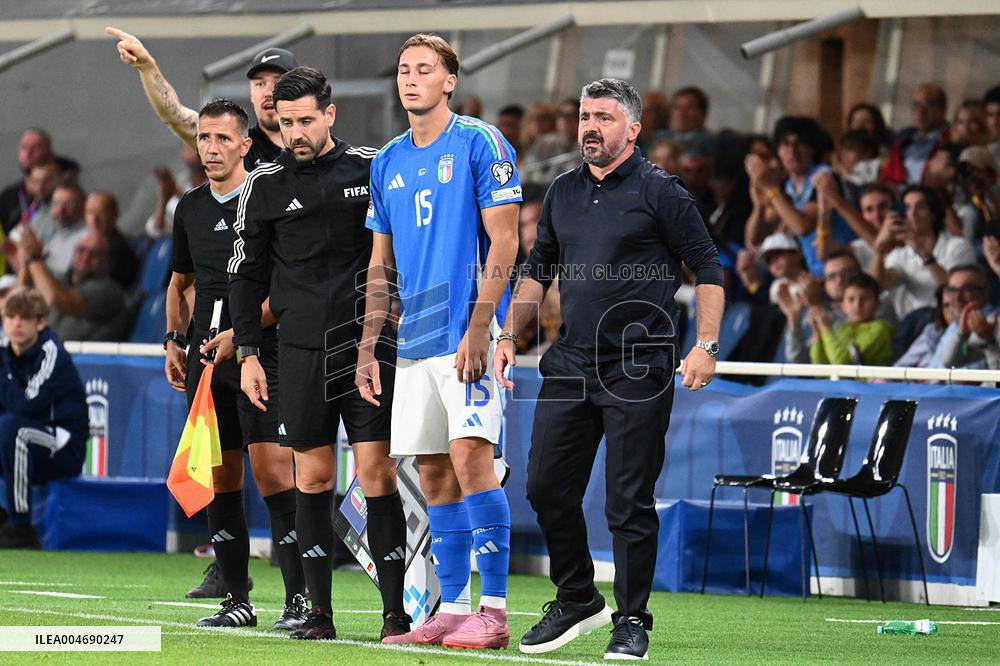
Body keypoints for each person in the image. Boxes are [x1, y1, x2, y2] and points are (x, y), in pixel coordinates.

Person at [497, 78, 723, 660]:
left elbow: (709, 268)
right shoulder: (563, 192)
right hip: (569, 363)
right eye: (584, 116)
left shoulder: (662, 192)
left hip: (639, 367)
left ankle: (631, 619)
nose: (589, 126)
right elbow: (537, 269)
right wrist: (506, 334)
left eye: (602, 116)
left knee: (628, 502)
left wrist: (707, 344)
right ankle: (577, 598)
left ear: (633, 128)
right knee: (546, 487)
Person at [228, 66, 407, 642]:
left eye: (306, 121)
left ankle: (395, 614)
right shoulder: (265, 184)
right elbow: (246, 277)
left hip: (367, 348)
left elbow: (398, 252)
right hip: (299, 352)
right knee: (313, 474)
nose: (295, 133)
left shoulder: (371, 167)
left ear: (331, 114)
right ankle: (318, 613)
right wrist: (250, 354)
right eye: (285, 124)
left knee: (377, 472)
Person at [357, 33, 520, 651]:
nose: (411, 79)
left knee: (473, 461)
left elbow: (504, 242)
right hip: (415, 337)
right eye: (403, 70)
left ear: (449, 80)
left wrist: (481, 329)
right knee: (432, 474)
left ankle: (496, 613)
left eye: (424, 69)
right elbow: (380, 265)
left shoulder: (480, 142)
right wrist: (370, 346)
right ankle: (451, 611)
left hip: (465, 331)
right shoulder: (387, 160)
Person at [165, 99, 308, 631]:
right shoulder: (191, 207)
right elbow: (178, 282)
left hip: (260, 353)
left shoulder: (269, 200)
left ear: (246, 144)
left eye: (223, 139)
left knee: (272, 472)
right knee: (221, 477)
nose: (211, 148)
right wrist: (173, 340)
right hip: (206, 361)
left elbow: (281, 288)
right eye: (204, 138)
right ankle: (236, 600)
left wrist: (243, 334)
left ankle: (299, 602)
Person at [107, 27, 298, 170]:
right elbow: (177, 116)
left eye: (278, 81)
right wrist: (147, 67)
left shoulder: (320, 148)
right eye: (259, 84)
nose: (268, 92)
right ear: (251, 94)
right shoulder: (236, 146)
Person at [0, 287, 87, 548]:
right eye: (11, 316)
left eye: (24, 317)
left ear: (40, 322)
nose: (16, 323)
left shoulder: (51, 352)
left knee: (12, 429)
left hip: (62, 445)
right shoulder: (5, 355)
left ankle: (22, 528)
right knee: (10, 428)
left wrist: (4, 377)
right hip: (26, 440)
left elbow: (27, 404)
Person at [870, 185, 976, 320]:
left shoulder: (957, 246)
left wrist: (924, 254)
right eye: (907, 207)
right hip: (915, 326)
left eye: (920, 207)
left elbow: (956, 291)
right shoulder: (899, 255)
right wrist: (878, 251)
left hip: (953, 319)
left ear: (933, 214)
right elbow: (877, 286)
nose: (912, 213)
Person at [18, 228, 128, 342]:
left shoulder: (108, 291)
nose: (86, 257)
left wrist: (34, 258)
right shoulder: (61, 280)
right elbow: (28, 291)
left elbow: (55, 298)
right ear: (74, 252)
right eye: (81, 250)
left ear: (107, 262)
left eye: (94, 254)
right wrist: (26, 256)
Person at [809, 273, 893, 366]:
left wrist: (826, 329)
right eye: (851, 299)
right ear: (842, 306)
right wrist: (817, 334)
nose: (857, 305)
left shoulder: (879, 329)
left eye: (865, 299)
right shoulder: (842, 329)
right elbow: (820, 368)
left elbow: (842, 363)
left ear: (877, 303)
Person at [881, 83, 951, 187]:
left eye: (927, 104)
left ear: (943, 109)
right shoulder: (904, 139)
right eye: (915, 105)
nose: (920, 111)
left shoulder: (951, 139)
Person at [0, 129, 55, 235]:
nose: (28, 153)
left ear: (50, 154)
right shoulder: (9, 195)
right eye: (24, 147)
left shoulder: (60, 194)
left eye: (35, 148)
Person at [84, 191, 139, 290]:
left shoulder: (118, 250)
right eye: (90, 212)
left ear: (114, 214)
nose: (94, 219)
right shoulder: (86, 244)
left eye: (101, 212)